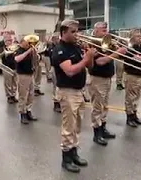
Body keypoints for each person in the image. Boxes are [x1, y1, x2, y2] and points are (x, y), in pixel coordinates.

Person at [52, 19, 95, 173]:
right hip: (67, 92)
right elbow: (70, 71)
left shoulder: (76, 47)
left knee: (76, 126)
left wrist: (90, 57)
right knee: (68, 127)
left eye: (77, 31)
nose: (77, 34)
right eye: (73, 32)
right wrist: (85, 59)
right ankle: (66, 159)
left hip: (79, 91)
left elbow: (89, 67)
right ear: (63, 32)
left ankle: (74, 153)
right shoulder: (60, 50)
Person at [88, 21, 125, 146]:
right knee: (97, 107)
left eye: (106, 29)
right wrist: (117, 53)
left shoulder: (107, 42)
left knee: (104, 106)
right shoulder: (91, 43)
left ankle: (103, 128)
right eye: (103, 30)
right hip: (97, 78)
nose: (106, 32)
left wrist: (117, 49)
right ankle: (96, 133)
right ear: (96, 30)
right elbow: (100, 61)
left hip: (107, 78)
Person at [14, 37, 38, 124]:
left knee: (31, 95)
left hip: (30, 74)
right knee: (23, 95)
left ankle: (28, 111)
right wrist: (27, 52)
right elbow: (17, 59)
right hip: (22, 75)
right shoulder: (19, 50)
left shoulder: (30, 50)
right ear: (22, 42)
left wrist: (34, 52)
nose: (29, 43)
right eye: (27, 42)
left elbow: (37, 60)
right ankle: (22, 114)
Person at [0, 35, 18, 104]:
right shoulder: (2, 48)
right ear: (5, 41)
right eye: (8, 40)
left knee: (14, 82)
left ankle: (13, 95)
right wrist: (5, 52)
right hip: (6, 67)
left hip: (14, 67)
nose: (10, 42)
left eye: (11, 40)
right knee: (8, 83)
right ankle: (9, 97)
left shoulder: (15, 47)